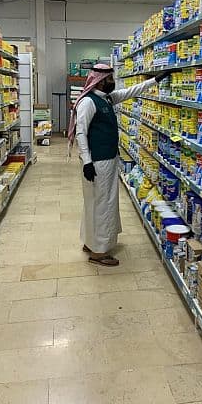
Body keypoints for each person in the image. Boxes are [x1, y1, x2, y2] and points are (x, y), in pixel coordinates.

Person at [68, 64, 171, 266]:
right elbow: (81, 132)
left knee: (95, 201)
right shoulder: (89, 102)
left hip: (105, 159)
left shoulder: (106, 98)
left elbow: (130, 92)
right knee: (103, 203)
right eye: (109, 79)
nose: (112, 82)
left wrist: (155, 80)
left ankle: (91, 242)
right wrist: (87, 161)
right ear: (100, 81)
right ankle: (99, 252)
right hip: (98, 161)